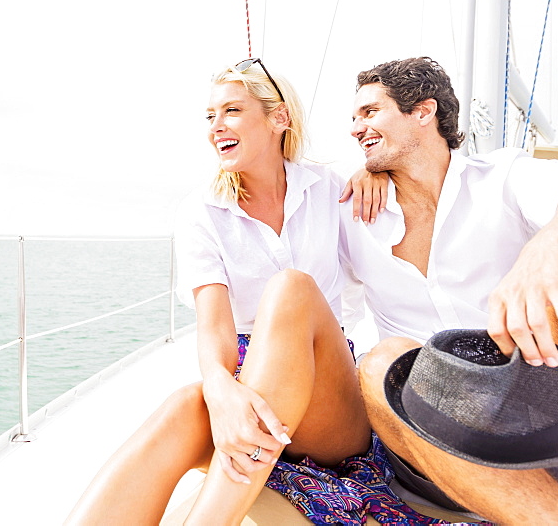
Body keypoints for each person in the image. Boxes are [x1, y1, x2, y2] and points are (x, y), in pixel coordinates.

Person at [66, 60, 437, 525]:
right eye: (209, 116)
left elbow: (399, 241)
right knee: (184, 407)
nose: (216, 126)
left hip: (326, 392)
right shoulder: (201, 213)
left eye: (232, 111)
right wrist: (222, 393)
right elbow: (214, 326)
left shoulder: (332, 190)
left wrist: (376, 174)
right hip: (247, 379)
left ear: (278, 118)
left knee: (292, 290)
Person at [346, 56, 558, 524]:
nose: (355, 128)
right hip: (433, 448)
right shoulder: (348, 204)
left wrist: (551, 244)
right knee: (381, 360)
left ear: (422, 111)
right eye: (354, 118)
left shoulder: (502, 177)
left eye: (370, 112)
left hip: (551, 430)